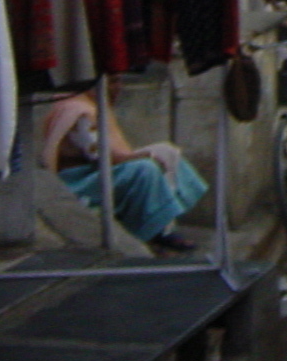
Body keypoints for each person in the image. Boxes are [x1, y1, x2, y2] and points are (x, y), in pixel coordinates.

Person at [41, 81, 208, 251]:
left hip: (97, 171)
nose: (117, 87)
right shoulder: (78, 111)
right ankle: (151, 233)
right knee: (145, 169)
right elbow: (102, 155)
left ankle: (162, 228)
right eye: (113, 82)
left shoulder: (90, 105)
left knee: (168, 154)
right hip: (80, 181)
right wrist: (148, 155)